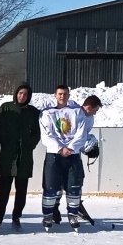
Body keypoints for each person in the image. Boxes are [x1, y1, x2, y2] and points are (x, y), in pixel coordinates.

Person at [39, 86, 100, 231]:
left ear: (69, 95)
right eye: (60, 94)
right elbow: (47, 135)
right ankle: (48, 215)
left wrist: (71, 148)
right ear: (55, 95)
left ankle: (73, 215)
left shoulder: (78, 112)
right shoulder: (47, 113)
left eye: (65, 94)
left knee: (74, 186)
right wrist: (60, 148)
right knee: (51, 186)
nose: (62, 96)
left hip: (72, 156)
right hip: (54, 155)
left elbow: (81, 134)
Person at [0, 82, 40, 233]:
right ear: (16, 93)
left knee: (21, 192)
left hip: (24, 158)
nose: (22, 96)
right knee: (3, 191)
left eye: (25, 94)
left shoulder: (33, 112)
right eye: (20, 93)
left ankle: (16, 218)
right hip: (8, 157)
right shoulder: (6, 107)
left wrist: (29, 145)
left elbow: (36, 134)